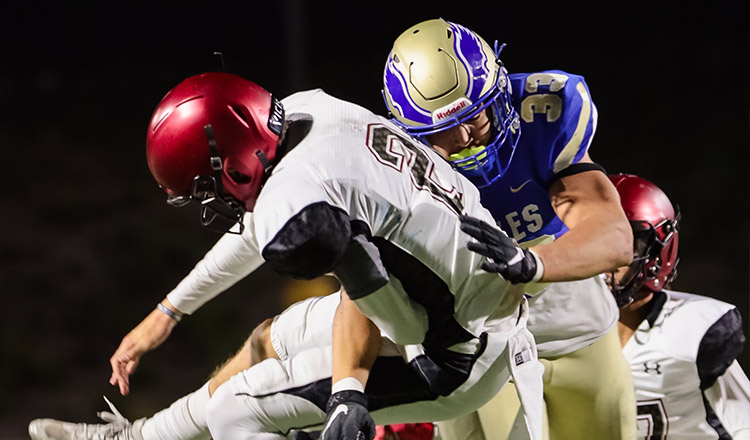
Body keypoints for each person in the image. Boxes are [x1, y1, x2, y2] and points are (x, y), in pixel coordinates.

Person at [29, 71, 545, 440]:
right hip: (449, 298)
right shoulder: (308, 110)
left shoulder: (300, 201)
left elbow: (389, 310)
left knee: (236, 412)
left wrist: (349, 390)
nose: (216, 204)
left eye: (210, 191)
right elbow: (281, 227)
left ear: (233, 169)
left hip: (457, 351)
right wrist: (167, 313)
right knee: (266, 342)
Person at [381, 18, 636, 439]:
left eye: (474, 116)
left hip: (576, 325)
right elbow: (365, 281)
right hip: (479, 343)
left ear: (499, 91)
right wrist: (346, 387)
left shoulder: (545, 116)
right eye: (442, 130)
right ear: (410, 134)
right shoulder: (391, 166)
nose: (464, 137)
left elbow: (614, 236)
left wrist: (532, 262)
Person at [608, 173, 750, 439]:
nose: (604, 259)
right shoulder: (549, 326)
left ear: (655, 253)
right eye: (591, 242)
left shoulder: (695, 330)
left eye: (623, 244)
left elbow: (742, 423)